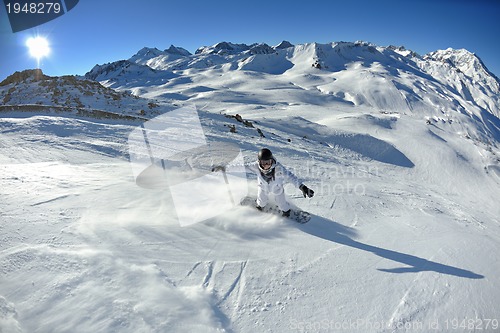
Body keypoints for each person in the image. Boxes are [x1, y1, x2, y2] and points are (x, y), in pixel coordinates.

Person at [214, 148, 314, 217]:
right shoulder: (255, 166)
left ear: (271, 161)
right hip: (263, 187)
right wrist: (225, 168)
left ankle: (286, 212)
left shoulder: (278, 168)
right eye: (263, 163)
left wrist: (302, 187)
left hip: (277, 189)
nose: (266, 165)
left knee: (282, 204)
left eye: (268, 162)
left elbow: (291, 177)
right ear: (259, 162)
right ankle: (259, 207)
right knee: (261, 202)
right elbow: (241, 167)